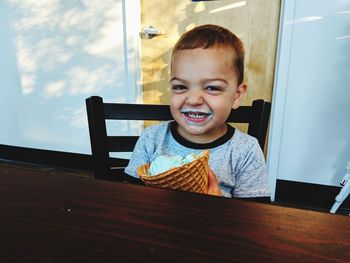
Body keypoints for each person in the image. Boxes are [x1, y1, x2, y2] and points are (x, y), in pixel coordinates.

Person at [125, 24, 270, 199]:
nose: (193, 99)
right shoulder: (151, 139)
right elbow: (131, 198)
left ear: (237, 96)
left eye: (212, 88)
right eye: (180, 86)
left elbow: (254, 218)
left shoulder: (245, 151)